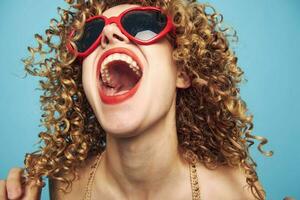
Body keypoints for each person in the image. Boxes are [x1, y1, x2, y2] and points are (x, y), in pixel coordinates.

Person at [0, 0, 273, 199]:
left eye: (142, 26)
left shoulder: (234, 191)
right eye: (90, 35)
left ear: (183, 71)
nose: (108, 34)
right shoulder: (64, 185)